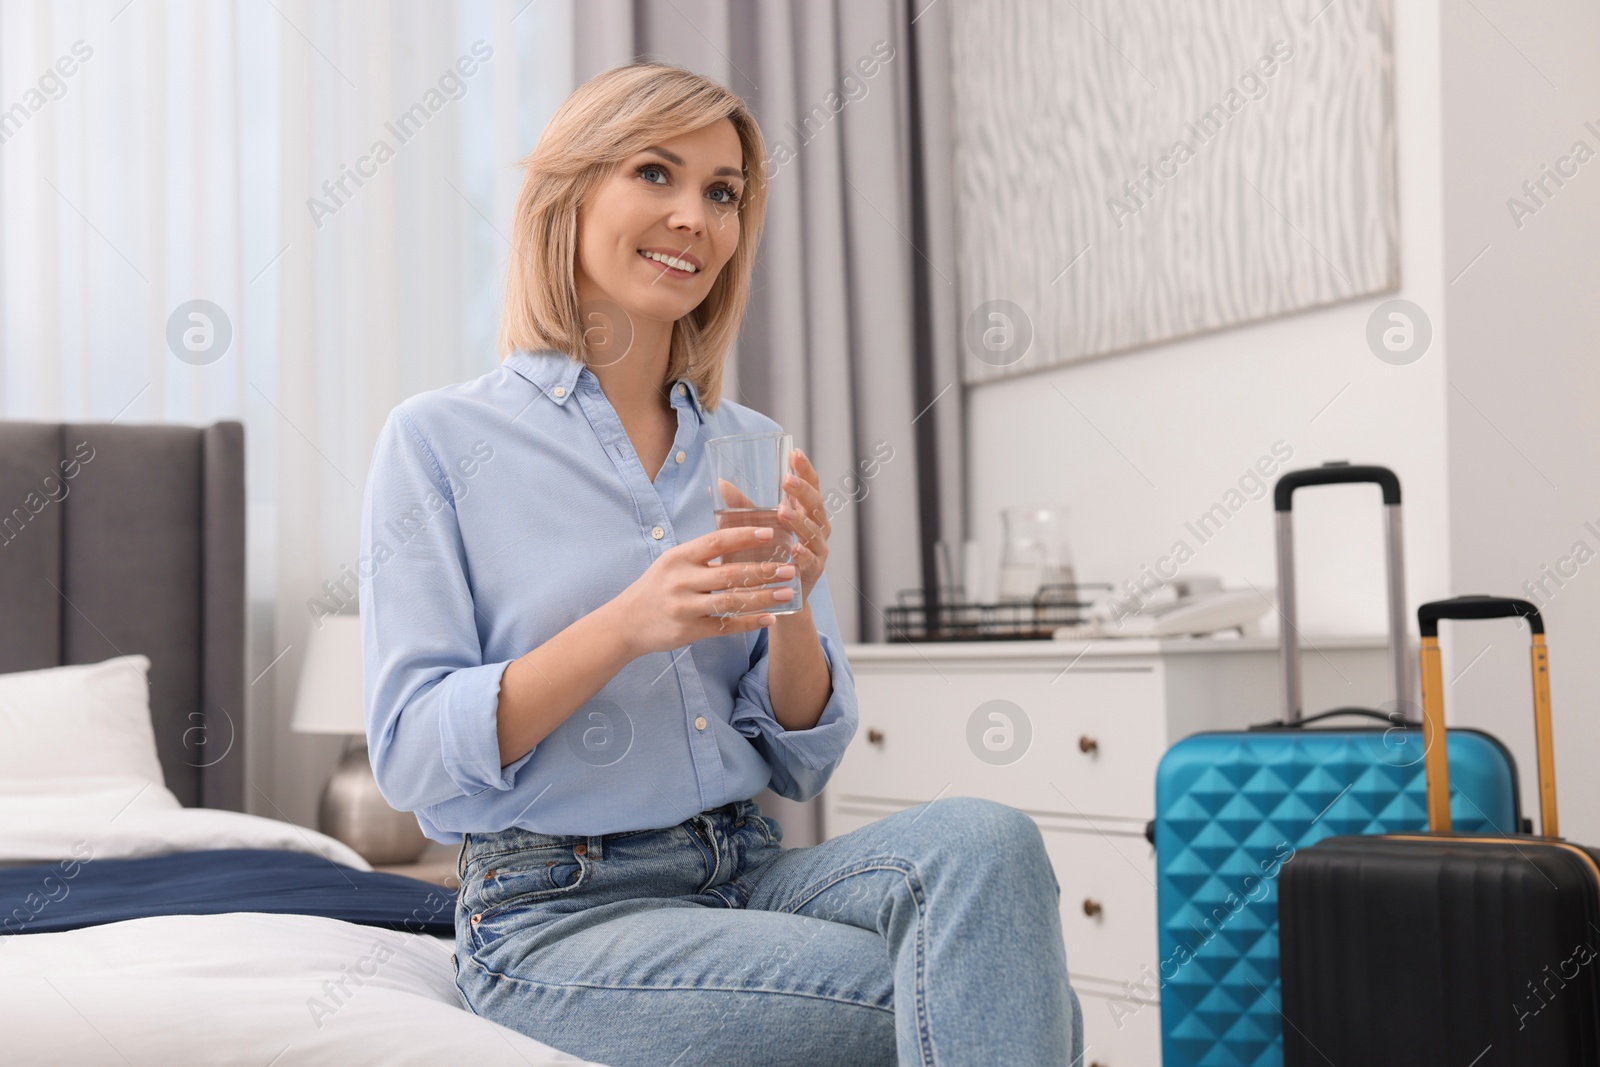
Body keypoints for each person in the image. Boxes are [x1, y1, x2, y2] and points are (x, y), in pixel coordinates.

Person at [358, 60, 1084, 1067]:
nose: (693, 216)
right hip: (554, 913)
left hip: (743, 865)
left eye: (722, 191)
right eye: (655, 173)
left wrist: (790, 602)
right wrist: (627, 622)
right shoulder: (438, 438)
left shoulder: (747, 442)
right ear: (570, 195)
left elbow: (803, 755)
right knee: (963, 991)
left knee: (988, 840)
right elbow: (410, 753)